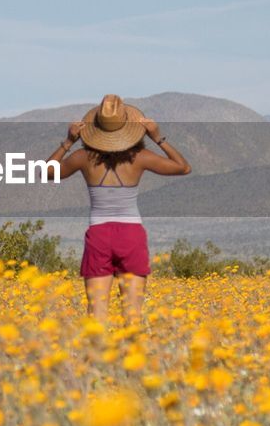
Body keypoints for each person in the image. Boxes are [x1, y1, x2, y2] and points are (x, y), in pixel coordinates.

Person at [46, 94, 191, 317]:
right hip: (131, 234)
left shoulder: (83, 157)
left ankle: (96, 353)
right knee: (132, 314)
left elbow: (47, 172)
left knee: (96, 312)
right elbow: (183, 168)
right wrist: (158, 137)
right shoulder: (140, 157)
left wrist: (68, 142)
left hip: (99, 234)